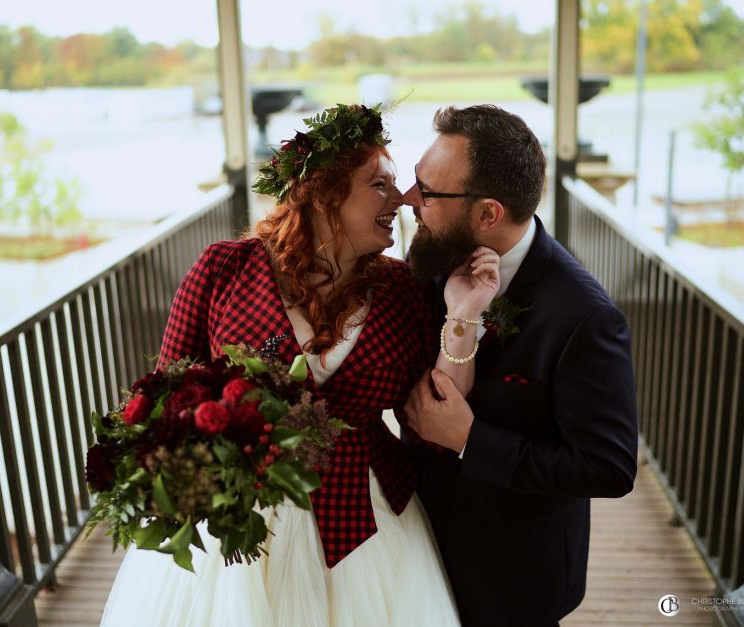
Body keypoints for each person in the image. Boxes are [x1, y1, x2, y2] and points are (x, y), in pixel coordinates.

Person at [100, 104, 486, 626]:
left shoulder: (402, 290)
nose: (399, 199)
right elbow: (166, 395)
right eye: (379, 184)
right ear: (325, 194)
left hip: (370, 516)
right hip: (241, 523)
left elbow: (438, 410)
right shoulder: (223, 270)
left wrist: (462, 316)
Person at [400, 104, 639, 627]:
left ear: (488, 214)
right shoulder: (427, 265)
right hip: (413, 552)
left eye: (428, 192)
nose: (408, 200)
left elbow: (609, 467)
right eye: (414, 181)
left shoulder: (584, 318)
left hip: (514, 577)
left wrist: (470, 439)